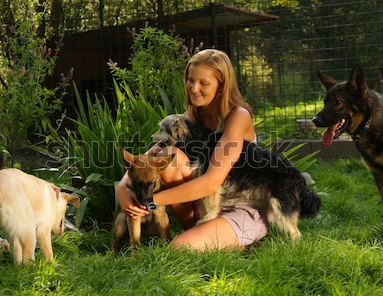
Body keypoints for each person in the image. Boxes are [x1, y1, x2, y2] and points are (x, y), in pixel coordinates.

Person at [115, 49, 268, 250]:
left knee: (179, 248)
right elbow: (150, 157)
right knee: (169, 157)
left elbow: (211, 183)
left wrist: (149, 202)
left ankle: (238, 238)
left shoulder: (238, 117)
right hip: (207, 208)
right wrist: (123, 187)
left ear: (222, 86)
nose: (194, 88)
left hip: (241, 207)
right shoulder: (193, 115)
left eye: (203, 83)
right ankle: (201, 234)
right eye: (190, 80)